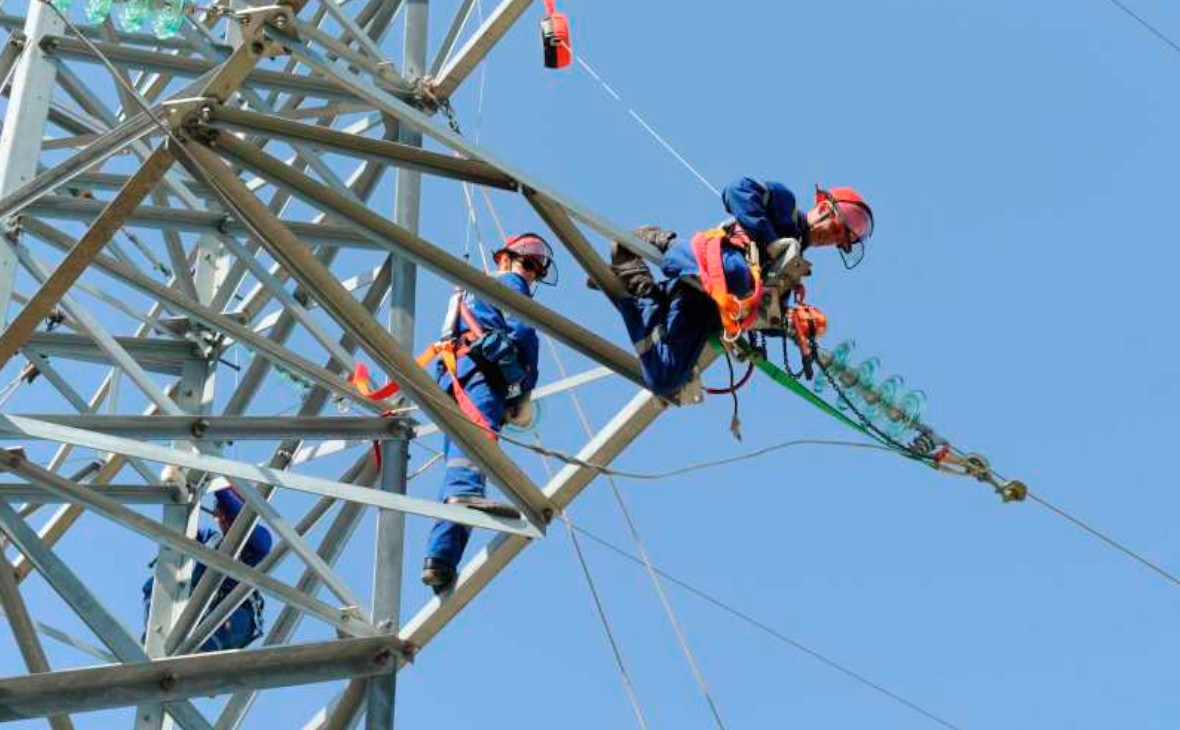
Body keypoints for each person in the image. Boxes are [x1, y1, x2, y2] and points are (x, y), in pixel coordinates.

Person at [605, 176, 874, 399]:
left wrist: (791, 325)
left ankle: (640, 287)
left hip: (707, 309)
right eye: (837, 228)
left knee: (665, 380)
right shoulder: (785, 208)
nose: (832, 238)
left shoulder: (793, 270)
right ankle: (661, 240)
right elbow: (736, 190)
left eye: (840, 240)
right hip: (717, 266)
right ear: (825, 208)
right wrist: (769, 239)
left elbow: (762, 315)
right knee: (739, 277)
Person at [420, 233, 553, 592]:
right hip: (478, 374)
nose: (531, 275)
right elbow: (523, 331)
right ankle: (462, 503)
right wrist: (524, 388)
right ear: (505, 260)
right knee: (475, 451)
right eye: (528, 265)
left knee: (461, 462)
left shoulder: (466, 291)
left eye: (536, 270)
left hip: (452, 375)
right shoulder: (506, 284)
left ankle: (440, 560)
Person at [142, 485, 272, 652]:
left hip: (237, 613)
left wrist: (218, 483)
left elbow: (241, 518)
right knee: (155, 585)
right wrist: (183, 494)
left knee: (203, 642)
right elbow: (181, 528)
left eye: (223, 509)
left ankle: (193, 662)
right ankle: (154, 639)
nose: (220, 516)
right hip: (204, 610)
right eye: (218, 510)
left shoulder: (257, 540)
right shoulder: (210, 539)